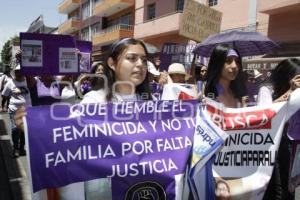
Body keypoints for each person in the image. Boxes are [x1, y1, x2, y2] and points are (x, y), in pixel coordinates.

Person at [14, 38, 152, 199]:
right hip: (103, 190)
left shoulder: (153, 104)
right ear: (112, 63)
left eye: (144, 59)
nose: (140, 64)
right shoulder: (93, 101)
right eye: (132, 58)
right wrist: (35, 129)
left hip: (140, 187)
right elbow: (66, 139)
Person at [260, 58, 300, 200]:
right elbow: (264, 114)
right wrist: (290, 91)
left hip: (291, 147)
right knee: (276, 191)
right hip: (271, 147)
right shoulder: (266, 90)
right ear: (286, 77)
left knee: (289, 190)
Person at [204, 44, 247, 108]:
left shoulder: (239, 93)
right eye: (228, 61)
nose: (234, 66)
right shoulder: (205, 93)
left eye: (237, 61)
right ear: (217, 64)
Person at [2, 65, 31, 157]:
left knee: (23, 130)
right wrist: (3, 105)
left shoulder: (29, 81)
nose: (19, 73)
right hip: (14, 110)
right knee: (15, 129)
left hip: (27, 110)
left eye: (21, 71)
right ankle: (15, 148)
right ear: (14, 72)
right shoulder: (10, 83)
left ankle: (22, 148)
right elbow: (4, 95)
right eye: (17, 71)